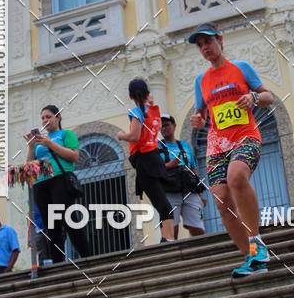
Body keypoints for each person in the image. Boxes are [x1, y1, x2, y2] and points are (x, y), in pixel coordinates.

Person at [189, 23, 274, 277]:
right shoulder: (201, 81)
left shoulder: (241, 68)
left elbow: (267, 95)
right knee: (222, 201)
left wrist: (253, 98)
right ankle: (252, 259)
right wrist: (197, 120)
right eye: (200, 45)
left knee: (236, 177)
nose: (205, 48)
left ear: (220, 39)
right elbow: (201, 113)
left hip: (245, 136)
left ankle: (257, 244)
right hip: (217, 145)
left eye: (208, 41)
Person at [26, 105, 90, 263]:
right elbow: (29, 165)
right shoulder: (40, 142)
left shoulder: (65, 134)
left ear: (58, 117)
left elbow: (74, 156)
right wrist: (31, 145)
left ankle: (87, 257)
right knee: (51, 225)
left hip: (60, 179)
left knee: (69, 219)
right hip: (41, 183)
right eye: (42, 118)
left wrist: (50, 144)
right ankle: (58, 262)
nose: (45, 120)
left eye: (48, 117)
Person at [117, 79, 175, 243]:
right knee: (161, 201)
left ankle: (168, 238)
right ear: (148, 93)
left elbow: (134, 136)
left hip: (144, 160)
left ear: (130, 95)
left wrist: (121, 135)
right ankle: (166, 237)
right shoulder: (154, 111)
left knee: (161, 203)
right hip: (154, 158)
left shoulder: (137, 111)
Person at [158, 114, 206, 239]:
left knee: (197, 227)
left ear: (174, 126)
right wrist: (169, 165)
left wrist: (200, 194)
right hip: (170, 192)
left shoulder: (185, 146)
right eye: (161, 126)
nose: (164, 128)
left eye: (167, 125)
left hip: (190, 190)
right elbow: (154, 171)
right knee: (171, 229)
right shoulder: (156, 148)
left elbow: (194, 169)